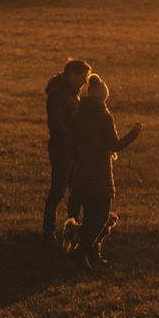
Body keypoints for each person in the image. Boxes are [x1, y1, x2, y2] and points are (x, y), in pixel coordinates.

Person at [67, 74, 141, 269]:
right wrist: (133, 134)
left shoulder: (76, 116)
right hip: (100, 174)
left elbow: (73, 145)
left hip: (81, 173)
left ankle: (92, 253)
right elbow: (114, 145)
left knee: (91, 216)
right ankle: (81, 250)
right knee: (101, 218)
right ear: (102, 97)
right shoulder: (104, 117)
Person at [43, 58, 92, 242]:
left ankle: (73, 228)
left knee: (75, 190)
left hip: (72, 149)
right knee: (58, 190)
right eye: (82, 76)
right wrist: (74, 139)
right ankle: (48, 231)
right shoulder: (58, 94)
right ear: (71, 75)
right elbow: (55, 125)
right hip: (61, 150)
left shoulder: (70, 92)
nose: (85, 81)